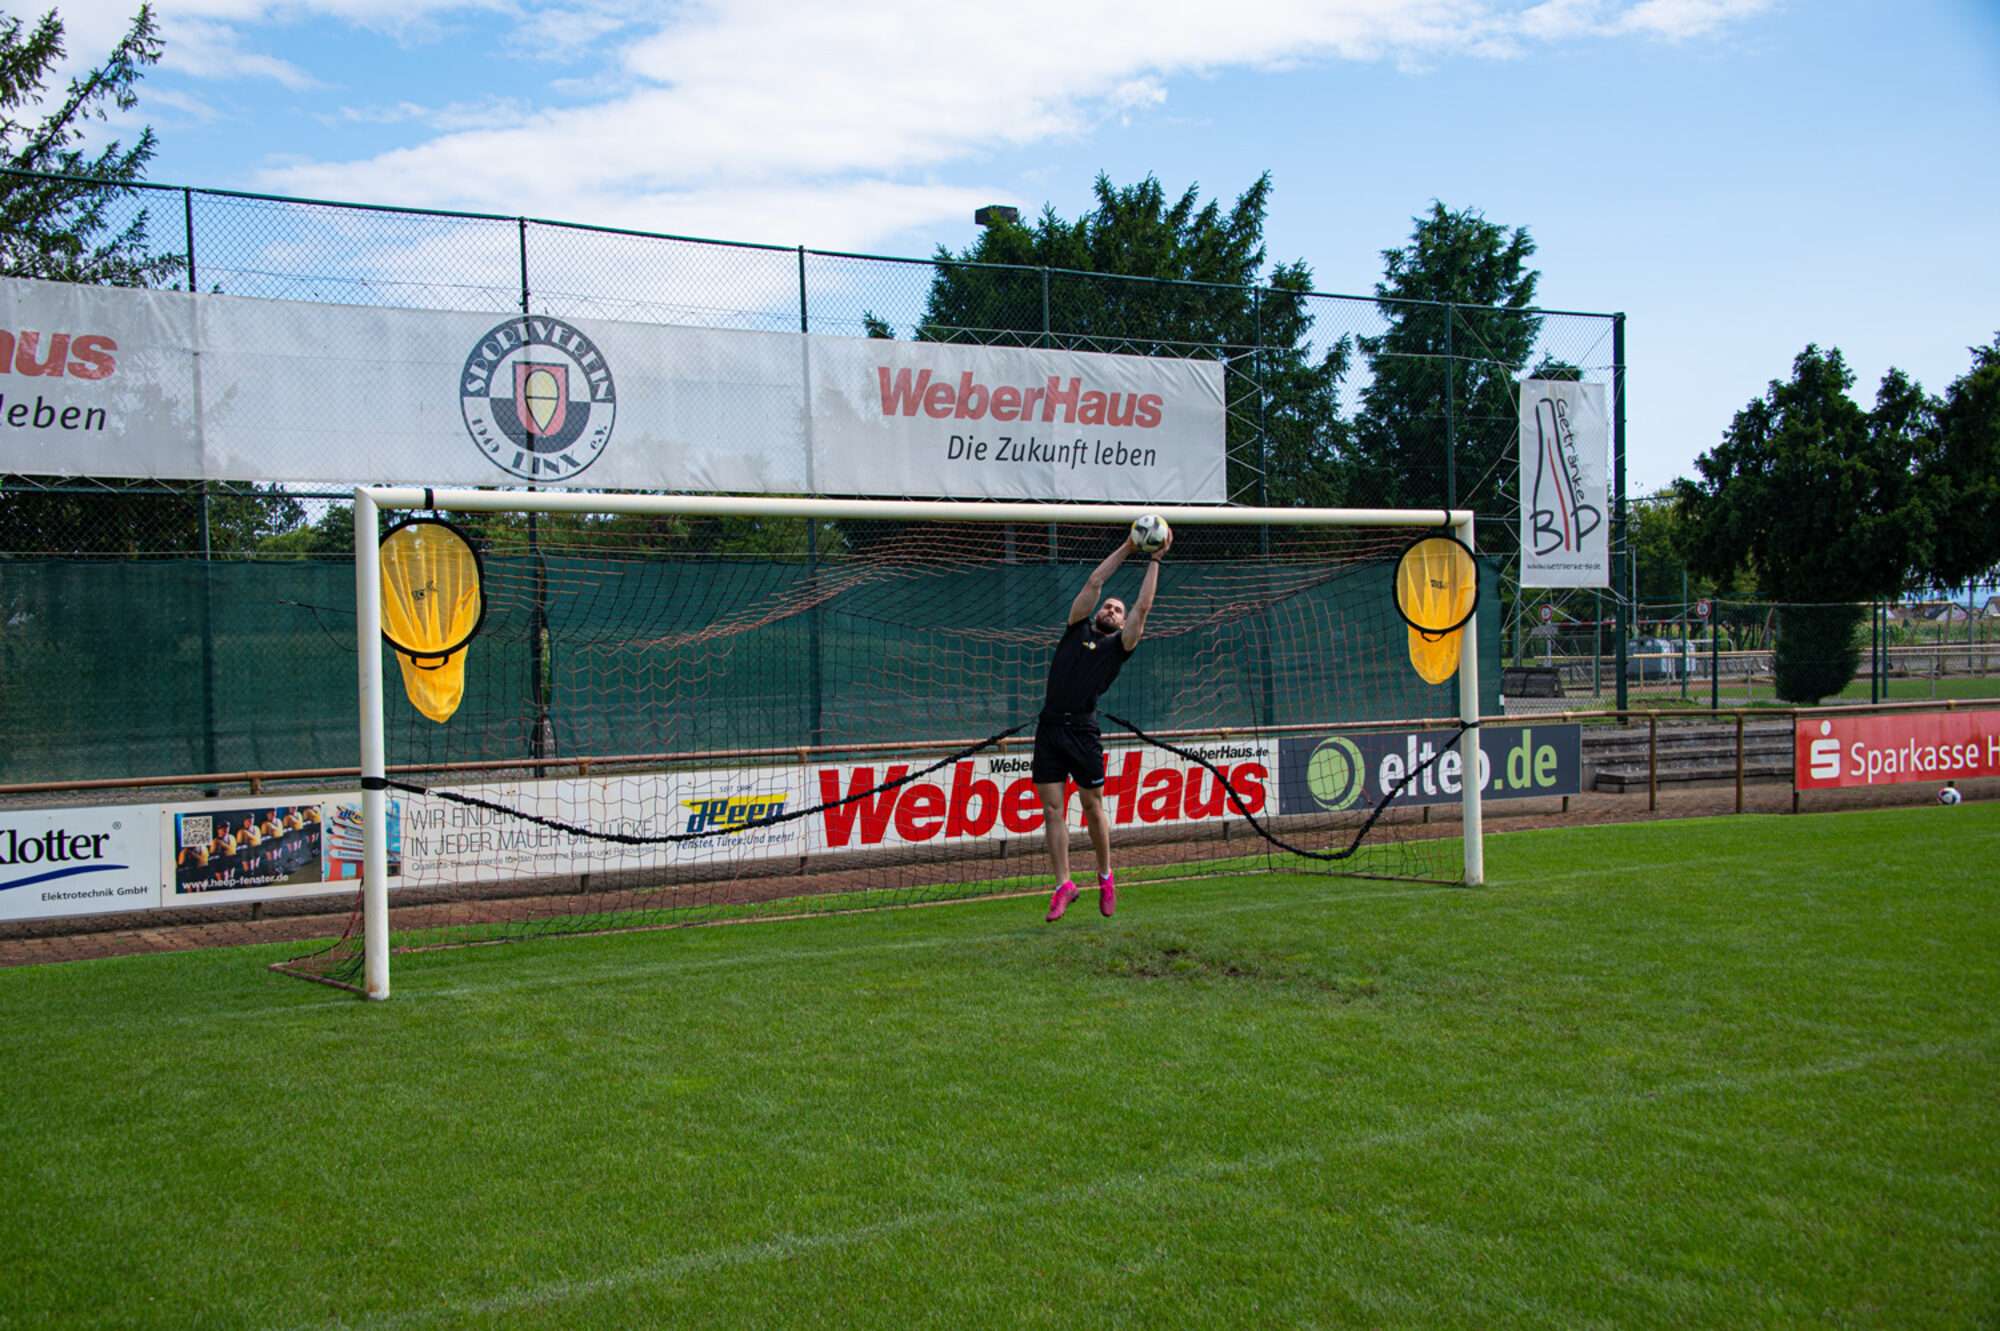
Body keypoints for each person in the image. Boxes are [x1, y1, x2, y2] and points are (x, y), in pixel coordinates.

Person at [1036, 525, 1171, 921]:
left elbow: (1143, 608)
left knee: (1092, 806)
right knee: (1052, 809)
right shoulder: (1076, 626)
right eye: (1108, 607)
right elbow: (1095, 580)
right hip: (1049, 728)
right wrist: (1128, 547)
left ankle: (1106, 876)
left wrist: (1155, 560)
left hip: (1082, 731)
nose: (1111, 610)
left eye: (1118, 609)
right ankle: (1063, 884)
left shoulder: (1119, 647)